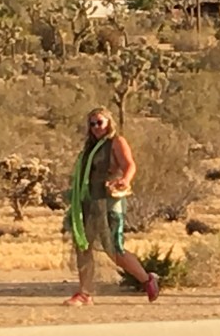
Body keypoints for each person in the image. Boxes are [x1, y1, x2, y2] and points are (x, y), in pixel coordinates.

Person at [63, 107, 159, 306]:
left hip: (108, 202)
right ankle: (84, 293)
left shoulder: (116, 142)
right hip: (88, 202)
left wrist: (124, 179)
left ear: (109, 123)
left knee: (113, 248)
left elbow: (130, 164)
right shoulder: (90, 147)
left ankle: (147, 279)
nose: (96, 127)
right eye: (92, 124)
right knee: (84, 246)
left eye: (100, 122)